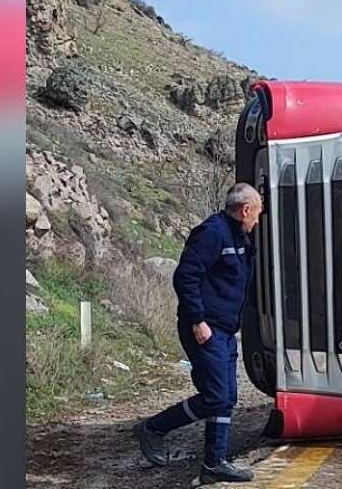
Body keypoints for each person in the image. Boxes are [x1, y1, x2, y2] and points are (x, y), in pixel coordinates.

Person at [134, 183, 262, 485]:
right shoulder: (213, 233)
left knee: (225, 397)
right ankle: (210, 461)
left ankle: (158, 431)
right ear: (245, 210)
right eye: (257, 214)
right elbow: (186, 276)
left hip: (225, 330)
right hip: (206, 329)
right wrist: (197, 320)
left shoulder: (240, 236)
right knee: (218, 396)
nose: (258, 220)